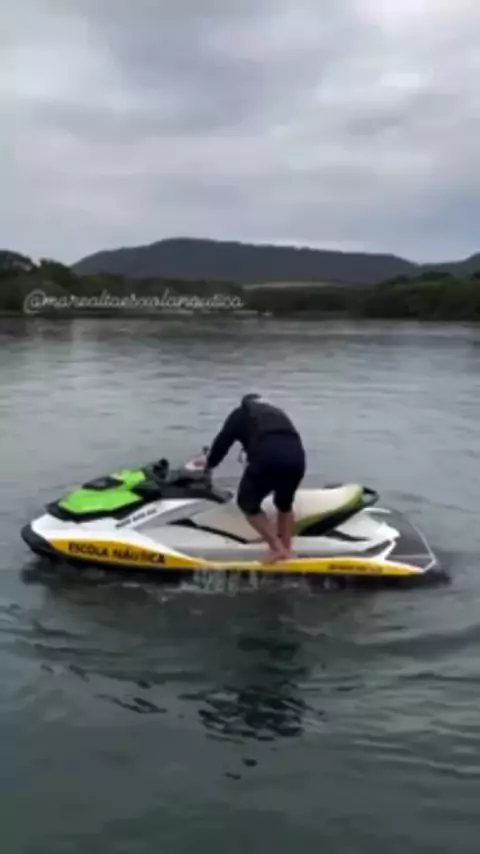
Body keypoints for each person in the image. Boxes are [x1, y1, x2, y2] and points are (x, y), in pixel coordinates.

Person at [202, 394, 306, 562]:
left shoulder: (241, 413)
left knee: (247, 503)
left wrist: (209, 466)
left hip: (267, 456)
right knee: (284, 504)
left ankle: (277, 548)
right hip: (297, 458)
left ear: (244, 403)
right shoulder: (277, 413)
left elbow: (222, 442)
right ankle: (287, 551)